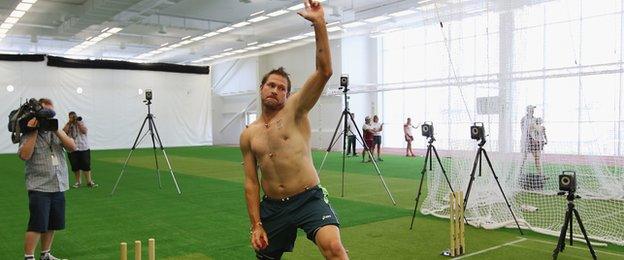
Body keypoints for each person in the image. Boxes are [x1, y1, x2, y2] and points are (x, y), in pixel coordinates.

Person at [239, 1, 348, 259]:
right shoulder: (249, 134)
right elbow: (251, 183)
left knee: (333, 248)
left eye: (282, 88)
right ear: (262, 88)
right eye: (271, 85)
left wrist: (319, 23)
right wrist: (256, 225)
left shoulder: (295, 110)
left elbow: (325, 71)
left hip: (308, 198)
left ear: (288, 95)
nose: (275, 90)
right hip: (274, 207)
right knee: (265, 256)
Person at [18, 98, 76, 260]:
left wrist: (56, 129)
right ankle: (29, 257)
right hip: (39, 186)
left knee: (52, 223)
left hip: (58, 184)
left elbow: (72, 147)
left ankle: (46, 254)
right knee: (37, 224)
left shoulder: (56, 130)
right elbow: (24, 155)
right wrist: (34, 131)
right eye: (45, 113)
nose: (48, 116)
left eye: (50, 113)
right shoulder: (29, 132)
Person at [63, 111, 97, 188]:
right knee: (75, 166)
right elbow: (64, 132)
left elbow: (84, 131)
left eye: (73, 116)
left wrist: (78, 122)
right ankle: (78, 182)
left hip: (83, 147)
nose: (73, 118)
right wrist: (69, 123)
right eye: (71, 117)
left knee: (86, 165)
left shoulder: (81, 122)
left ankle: (89, 181)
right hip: (72, 148)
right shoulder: (68, 125)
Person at [520, 105, 537, 175]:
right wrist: (529, 137)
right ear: (528, 110)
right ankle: (520, 171)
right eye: (531, 109)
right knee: (524, 156)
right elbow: (523, 130)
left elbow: (535, 130)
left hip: (533, 140)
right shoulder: (524, 119)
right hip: (526, 140)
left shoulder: (535, 119)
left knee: (536, 156)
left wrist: (535, 138)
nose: (533, 111)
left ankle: (539, 173)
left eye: (533, 110)